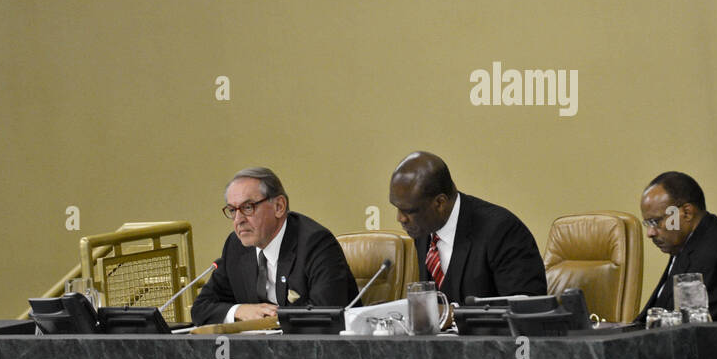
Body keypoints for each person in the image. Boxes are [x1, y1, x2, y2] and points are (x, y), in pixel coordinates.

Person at [190, 167, 356, 325]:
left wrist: (273, 321)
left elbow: (325, 317)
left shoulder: (316, 244)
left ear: (279, 207)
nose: (238, 220)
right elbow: (201, 308)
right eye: (232, 210)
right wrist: (239, 310)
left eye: (248, 207)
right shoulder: (236, 246)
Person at [388, 151, 547, 303]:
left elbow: (527, 307)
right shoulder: (424, 230)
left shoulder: (501, 230)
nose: (400, 218)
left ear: (439, 203)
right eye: (397, 208)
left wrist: (453, 314)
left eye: (409, 211)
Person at [635, 171, 717, 323]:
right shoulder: (687, 244)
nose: (650, 233)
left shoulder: (715, 251)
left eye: (656, 221)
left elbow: (703, 328)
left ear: (687, 213)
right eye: (648, 224)